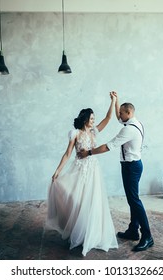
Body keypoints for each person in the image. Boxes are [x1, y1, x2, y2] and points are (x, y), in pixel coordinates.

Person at [78, 91, 154, 252]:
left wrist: (89, 153)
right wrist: (116, 100)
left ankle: (147, 236)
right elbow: (120, 118)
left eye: (121, 113)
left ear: (129, 113)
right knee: (133, 199)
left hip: (131, 167)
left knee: (134, 200)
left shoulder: (129, 130)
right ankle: (133, 230)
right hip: (134, 165)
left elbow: (108, 146)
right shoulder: (135, 123)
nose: (119, 116)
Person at [46, 93, 118, 256]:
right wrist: (57, 171)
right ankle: (77, 230)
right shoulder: (75, 133)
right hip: (78, 170)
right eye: (92, 118)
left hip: (93, 171)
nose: (93, 121)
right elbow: (67, 153)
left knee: (92, 201)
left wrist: (113, 101)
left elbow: (108, 118)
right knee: (77, 201)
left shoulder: (94, 132)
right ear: (85, 118)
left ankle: (90, 234)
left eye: (94, 119)